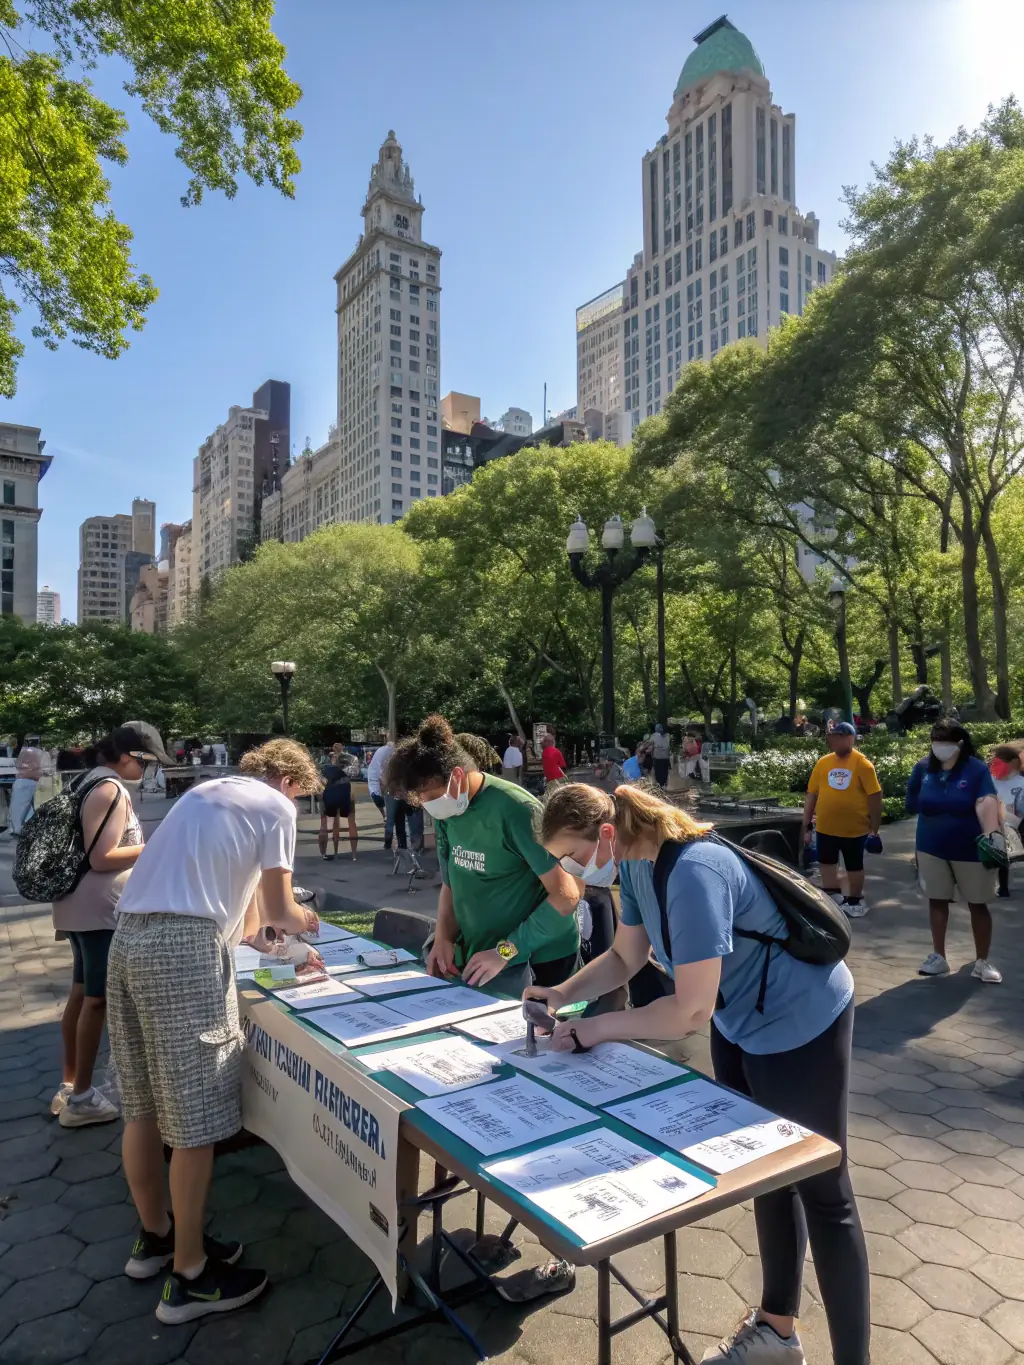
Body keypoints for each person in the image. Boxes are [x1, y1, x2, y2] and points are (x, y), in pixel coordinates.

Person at [530, 782, 869, 1365]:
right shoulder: (636, 866)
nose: (572, 871)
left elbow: (688, 1010)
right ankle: (777, 1333)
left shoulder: (691, 870)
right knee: (767, 1174)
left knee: (824, 1192)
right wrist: (562, 995)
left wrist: (595, 1029)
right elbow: (623, 958)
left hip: (803, 1020)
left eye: (573, 856)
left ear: (607, 834)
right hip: (740, 1020)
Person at [106, 739, 323, 1323]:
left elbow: (250, 920)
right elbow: (279, 910)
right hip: (183, 952)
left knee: (144, 1105)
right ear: (289, 782)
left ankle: (157, 1239)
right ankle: (192, 1275)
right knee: (195, 1120)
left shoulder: (205, 795)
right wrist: (306, 922)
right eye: (300, 792)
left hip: (128, 938)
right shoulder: (276, 807)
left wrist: (282, 944)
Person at [384, 715, 582, 996]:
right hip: (484, 957)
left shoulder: (517, 810)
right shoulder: (448, 813)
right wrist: (443, 936)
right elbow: (452, 884)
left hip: (537, 960)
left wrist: (505, 951)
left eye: (428, 795)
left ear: (457, 776)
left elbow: (566, 896)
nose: (426, 804)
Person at [51, 724, 166, 1126]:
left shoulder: (87, 780)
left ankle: (70, 1085)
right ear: (125, 755)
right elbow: (102, 858)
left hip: (76, 904)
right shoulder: (110, 789)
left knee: (82, 994)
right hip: (99, 907)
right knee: (96, 999)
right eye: (145, 761)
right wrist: (157, 846)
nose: (146, 770)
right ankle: (81, 1099)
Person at [907, 720, 1003, 982]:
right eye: (935, 738)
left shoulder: (976, 770)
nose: (939, 745)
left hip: (971, 849)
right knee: (936, 899)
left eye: (945, 740)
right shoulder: (923, 768)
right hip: (930, 847)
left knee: (978, 903)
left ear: (960, 743)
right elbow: (913, 802)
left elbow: (987, 801)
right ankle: (938, 957)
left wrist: (991, 835)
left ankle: (982, 961)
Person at [801, 722, 882, 919]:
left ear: (849, 738)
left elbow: (875, 796)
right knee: (827, 862)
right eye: (831, 737)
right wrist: (806, 825)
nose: (833, 741)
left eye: (838, 737)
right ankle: (834, 897)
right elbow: (812, 794)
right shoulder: (823, 763)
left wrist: (875, 828)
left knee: (854, 865)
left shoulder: (862, 764)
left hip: (855, 829)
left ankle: (854, 900)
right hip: (826, 827)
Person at [989, 743, 1024, 899]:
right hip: (997, 820)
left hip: (1019, 821)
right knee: (1001, 853)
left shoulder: (1020, 781)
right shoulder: (989, 780)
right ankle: (1003, 887)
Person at [319, 743, 358, 861]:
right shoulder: (350, 758)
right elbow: (354, 772)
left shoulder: (324, 760)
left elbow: (320, 779)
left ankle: (324, 853)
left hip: (329, 791)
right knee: (351, 822)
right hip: (344, 791)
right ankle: (354, 855)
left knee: (325, 823)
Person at [8, 735, 44, 835]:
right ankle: (29, 827)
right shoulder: (41, 753)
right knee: (29, 806)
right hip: (34, 781)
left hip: (22, 781)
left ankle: (16, 829)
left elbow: (18, 765)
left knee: (18, 806)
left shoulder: (25, 752)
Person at [366, 741, 395, 848]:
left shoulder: (381, 752)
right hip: (386, 788)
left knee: (390, 818)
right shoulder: (388, 752)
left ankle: (388, 841)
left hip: (378, 787)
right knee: (393, 819)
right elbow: (382, 776)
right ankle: (390, 841)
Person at [650, 723, 672, 788]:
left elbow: (651, 747)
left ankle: (660, 786)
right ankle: (664, 785)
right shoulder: (668, 736)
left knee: (658, 773)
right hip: (666, 757)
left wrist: (652, 755)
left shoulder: (653, 736)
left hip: (657, 757)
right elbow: (669, 747)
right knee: (665, 772)